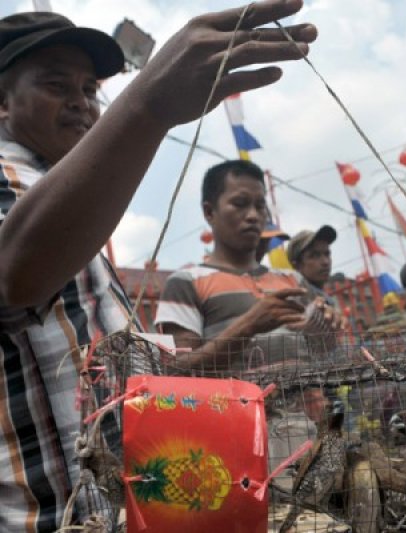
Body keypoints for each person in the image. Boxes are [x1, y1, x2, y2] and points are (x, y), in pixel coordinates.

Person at [0, 5, 317, 529]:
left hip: (119, 507)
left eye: (89, 89)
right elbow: (15, 274)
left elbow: (142, 378)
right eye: (57, 85)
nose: (81, 103)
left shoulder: (62, 201)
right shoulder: (14, 179)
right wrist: (148, 105)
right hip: (48, 514)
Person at [155, 160, 340, 494]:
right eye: (240, 204)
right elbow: (177, 372)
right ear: (210, 211)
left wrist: (327, 329)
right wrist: (249, 324)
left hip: (309, 436)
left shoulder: (291, 280)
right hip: (237, 449)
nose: (254, 215)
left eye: (259, 205)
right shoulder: (187, 283)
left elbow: (322, 349)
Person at [287, 224, 337, 306]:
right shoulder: (297, 302)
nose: (325, 262)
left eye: (327, 254)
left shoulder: (324, 299)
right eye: (315, 255)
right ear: (296, 266)